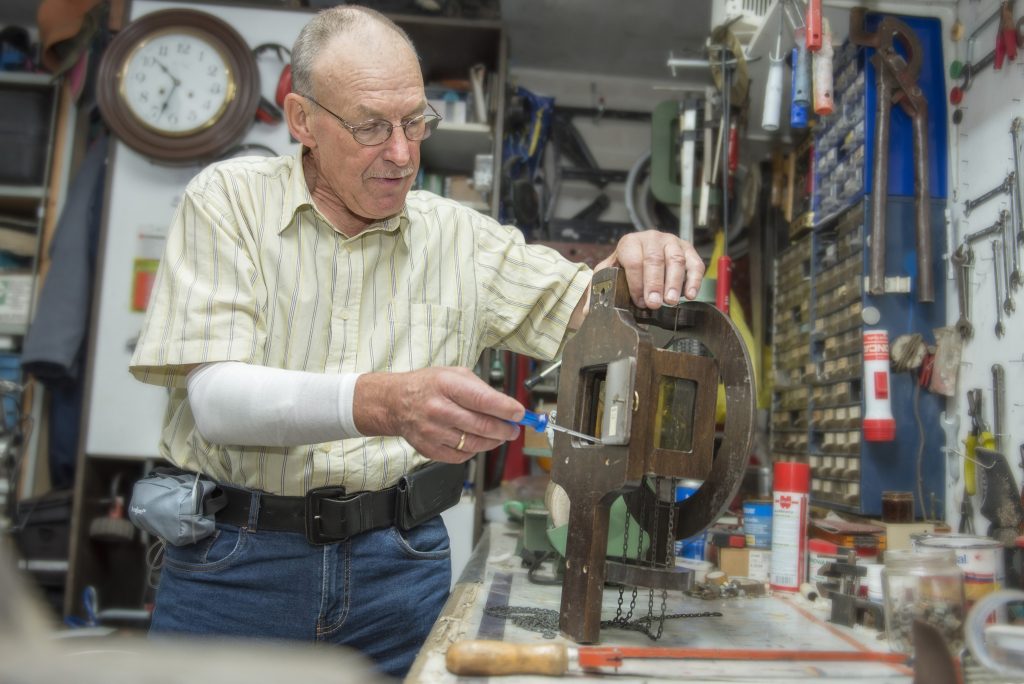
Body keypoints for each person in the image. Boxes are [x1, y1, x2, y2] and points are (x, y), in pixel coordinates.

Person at [128, 5, 705, 678]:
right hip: (235, 566)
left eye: (415, 121)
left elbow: (596, 307)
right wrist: (387, 404)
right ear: (303, 120)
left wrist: (639, 262)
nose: (401, 154)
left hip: (398, 570)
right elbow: (216, 400)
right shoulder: (228, 201)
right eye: (371, 126)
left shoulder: (461, 237)